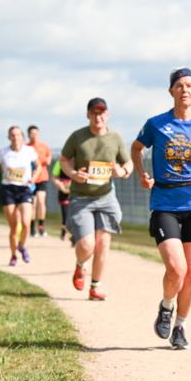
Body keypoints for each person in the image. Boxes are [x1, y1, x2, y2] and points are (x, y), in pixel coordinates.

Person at [132, 67, 191, 350]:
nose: (185, 90)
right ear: (171, 91)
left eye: (190, 85)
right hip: (164, 202)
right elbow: (137, 148)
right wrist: (142, 174)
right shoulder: (156, 124)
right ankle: (166, 305)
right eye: (179, 85)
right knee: (177, 268)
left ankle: (181, 326)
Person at [60, 97, 132, 302]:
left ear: (107, 114)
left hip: (106, 197)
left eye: (102, 112)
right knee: (87, 245)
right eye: (94, 113)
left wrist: (123, 171)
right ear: (88, 115)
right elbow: (64, 160)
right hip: (81, 198)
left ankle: (95, 286)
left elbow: (128, 164)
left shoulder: (115, 138)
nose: (98, 116)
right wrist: (73, 174)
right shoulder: (78, 137)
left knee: (103, 244)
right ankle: (81, 265)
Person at [0, 126, 42, 266]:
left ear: (22, 137)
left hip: (24, 188)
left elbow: (39, 166)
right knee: (14, 226)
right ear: (9, 137)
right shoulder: (3, 152)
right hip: (8, 189)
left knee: (26, 223)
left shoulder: (29, 151)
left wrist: (34, 177)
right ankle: (13, 255)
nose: (16, 138)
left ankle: (21, 246)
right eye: (12, 135)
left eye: (18, 135)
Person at [27, 125, 52, 237]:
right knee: (33, 204)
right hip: (30, 180)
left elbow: (48, 161)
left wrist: (38, 160)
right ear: (28, 135)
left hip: (42, 178)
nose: (34, 136)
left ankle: (41, 226)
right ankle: (32, 228)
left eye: (36, 134)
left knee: (41, 201)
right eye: (32, 134)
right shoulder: (25, 148)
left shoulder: (44, 146)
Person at [52, 160, 73, 245]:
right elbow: (54, 177)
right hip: (63, 192)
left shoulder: (80, 161)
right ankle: (64, 232)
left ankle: (73, 237)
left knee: (75, 216)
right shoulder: (59, 162)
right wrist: (59, 185)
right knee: (66, 215)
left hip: (76, 193)